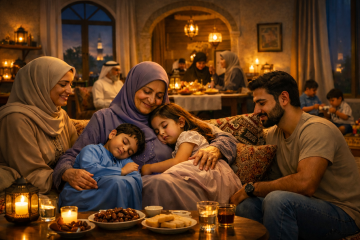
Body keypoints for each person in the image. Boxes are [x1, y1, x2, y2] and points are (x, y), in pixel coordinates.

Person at [53, 61, 238, 210]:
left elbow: (223, 137)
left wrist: (215, 149)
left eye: (159, 95)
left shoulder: (164, 117)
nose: (152, 100)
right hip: (127, 191)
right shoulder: (104, 118)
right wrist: (68, 173)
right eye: (146, 91)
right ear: (133, 86)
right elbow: (71, 156)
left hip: (175, 187)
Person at [230, 71, 360, 240]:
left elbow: (306, 184)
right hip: (303, 205)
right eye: (255, 104)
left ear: (284, 99)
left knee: (278, 201)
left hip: (343, 213)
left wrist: (252, 188)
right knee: (247, 205)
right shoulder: (274, 135)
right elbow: (274, 181)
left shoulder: (317, 129)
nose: (256, 111)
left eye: (261, 103)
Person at [0, 56, 78, 194]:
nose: (69, 91)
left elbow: (77, 153)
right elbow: (30, 173)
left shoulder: (61, 115)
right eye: (63, 84)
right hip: (29, 192)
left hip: (61, 184)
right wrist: (64, 175)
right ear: (41, 83)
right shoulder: (16, 119)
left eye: (70, 84)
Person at [141, 103, 241, 204]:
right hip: (198, 173)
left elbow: (178, 161)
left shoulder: (188, 135)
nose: (161, 133)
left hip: (204, 172)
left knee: (156, 183)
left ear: (181, 122)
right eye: (157, 132)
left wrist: (150, 167)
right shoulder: (179, 142)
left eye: (164, 126)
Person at [59, 123, 145, 211]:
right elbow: (90, 170)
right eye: (125, 142)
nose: (125, 149)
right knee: (117, 182)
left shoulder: (124, 160)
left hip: (104, 196)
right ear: (112, 134)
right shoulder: (91, 150)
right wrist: (121, 171)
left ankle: (128, 217)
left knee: (131, 182)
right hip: (81, 196)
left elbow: (135, 176)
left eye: (130, 152)